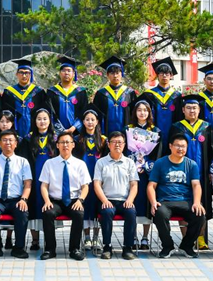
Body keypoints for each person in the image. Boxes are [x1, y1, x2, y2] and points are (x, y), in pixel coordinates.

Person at [168, 94, 213, 251]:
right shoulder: (177, 127)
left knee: (202, 204)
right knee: (183, 203)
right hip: (181, 172)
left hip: (202, 173)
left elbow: (212, 150)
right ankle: (186, 238)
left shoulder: (206, 127)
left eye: (194, 108)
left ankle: (200, 237)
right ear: (183, 110)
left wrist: (212, 170)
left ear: (199, 110)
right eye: (188, 108)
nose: (192, 110)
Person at [147, 134, 206, 258]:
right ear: (170, 146)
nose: (180, 149)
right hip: (165, 201)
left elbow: (196, 185)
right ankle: (167, 246)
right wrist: (153, 202)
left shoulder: (192, 164)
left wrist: (197, 202)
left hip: (185, 201)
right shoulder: (160, 163)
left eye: (183, 146)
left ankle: (187, 246)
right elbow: (151, 186)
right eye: (177, 146)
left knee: (199, 214)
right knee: (159, 213)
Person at [39, 131, 92, 261]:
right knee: (47, 213)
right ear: (57, 145)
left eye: (68, 142)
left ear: (73, 145)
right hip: (55, 201)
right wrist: (47, 201)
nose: (65, 145)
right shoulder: (49, 163)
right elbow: (44, 185)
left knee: (79, 213)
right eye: (62, 142)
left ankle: (74, 249)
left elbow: (85, 186)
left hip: (74, 200)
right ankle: (50, 249)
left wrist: (80, 200)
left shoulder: (80, 164)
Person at [0, 129, 32, 259]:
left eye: (10, 140)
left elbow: (27, 184)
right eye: (4, 140)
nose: (7, 143)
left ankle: (19, 248)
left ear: (16, 143)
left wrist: (24, 199)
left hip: (16, 200)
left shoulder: (23, 162)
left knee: (22, 211)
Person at [93, 130, 139, 260]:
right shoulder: (101, 162)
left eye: (120, 142)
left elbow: (134, 184)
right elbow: (97, 184)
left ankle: (128, 247)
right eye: (114, 142)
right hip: (107, 200)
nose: (117, 145)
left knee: (131, 212)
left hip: (124, 200)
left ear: (124, 145)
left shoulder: (129, 162)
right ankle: (107, 246)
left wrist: (130, 200)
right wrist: (104, 200)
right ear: (108, 144)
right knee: (107, 212)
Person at [124, 95, 162, 250]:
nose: (142, 113)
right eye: (139, 110)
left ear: (149, 112)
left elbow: (158, 154)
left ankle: (145, 237)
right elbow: (125, 150)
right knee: (132, 201)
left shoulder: (155, 131)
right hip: (131, 171)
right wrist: (133, 162)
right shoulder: (128, 129)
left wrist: (146, 165)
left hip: (147, 173)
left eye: (145, 110)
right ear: (135, 112)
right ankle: (133, 235)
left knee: (146, 203)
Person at [18, 105, 58, 251]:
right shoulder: (28, 139)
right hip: (33, 176)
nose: (42, 122)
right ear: (34, 121)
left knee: (48, 207)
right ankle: (35, 240)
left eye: (45, 119)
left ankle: (49, 240)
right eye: (39, 119)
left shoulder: (55, 138)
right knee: (33, 206)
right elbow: (23, 160)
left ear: (49, 121)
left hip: (51, 178)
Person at [74, 107, 106, 249]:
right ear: (83, 122)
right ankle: (86, 237)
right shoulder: (77, 139)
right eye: (87, 119)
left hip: (98, 177)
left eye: (93, 119)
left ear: (97, 121)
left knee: (97, 206)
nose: (90, 122)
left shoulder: (104, 140)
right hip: (83, 177)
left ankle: (96, 238)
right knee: (85, 206)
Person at [1, 58, 49, 139]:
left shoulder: (38, 92)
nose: (24, 75)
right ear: (16, 74)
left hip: (34, 134)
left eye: (27, 73)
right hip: (13, 134)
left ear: (31, 74)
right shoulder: (9, 92)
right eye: (21, 72)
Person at [92, 56, 136, 135]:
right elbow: (96, 115)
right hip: (105, 135)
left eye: (117, 73)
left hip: (126, 135)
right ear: (107, 75)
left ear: (121, 74)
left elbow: (134, 114)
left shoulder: (129, 93)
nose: (115, 76)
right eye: (112, 73)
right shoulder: (101, 94)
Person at [47, 55, 88, 136]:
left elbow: (84, 112)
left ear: (74, 74)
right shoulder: (52, 92)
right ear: (60, 73)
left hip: (76, 133)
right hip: (57, 133)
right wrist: (60, 129)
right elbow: (50, 112)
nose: (66, 73)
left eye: (69, 71)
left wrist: (74, 127)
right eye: (63, 70)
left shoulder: (80, 92)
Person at [143, 57, 181, 143]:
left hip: (172, 133)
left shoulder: (176, 95)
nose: (164, 76)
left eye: (167, 73)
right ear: (157, 76)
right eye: (161, 73)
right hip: (153, 133)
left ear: (171, 76)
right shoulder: (149, 94)